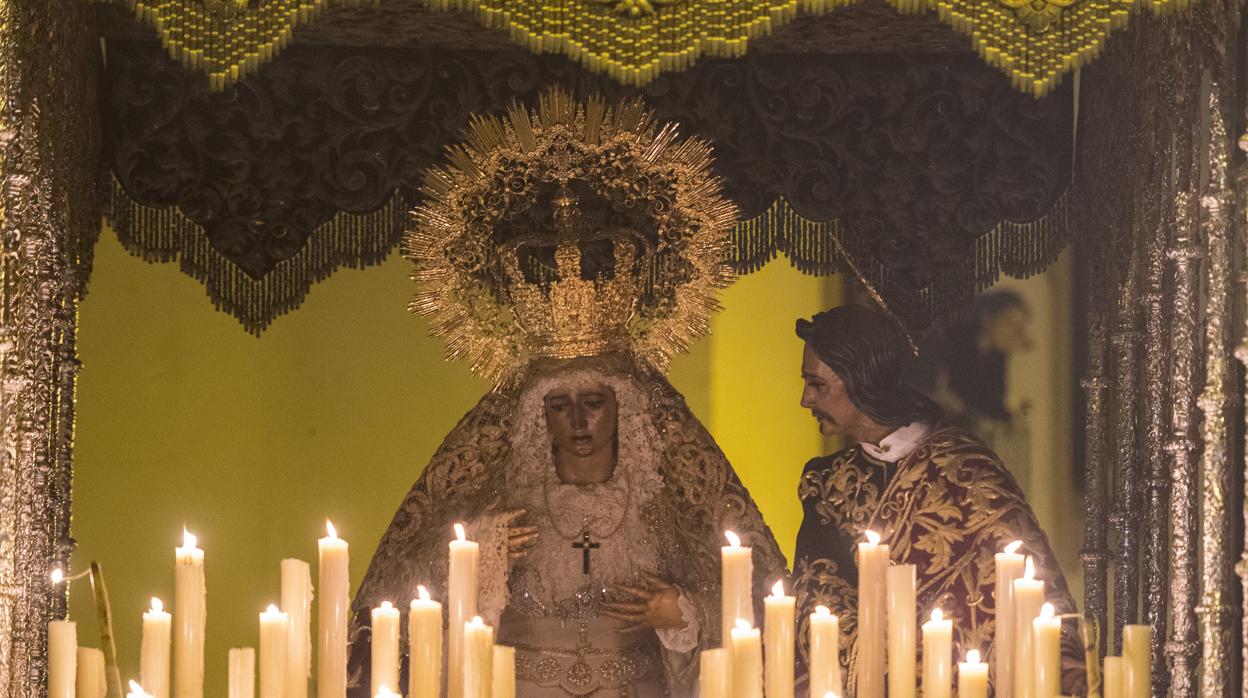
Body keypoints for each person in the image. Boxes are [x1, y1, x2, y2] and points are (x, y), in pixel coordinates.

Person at [347, 90, 786, 698]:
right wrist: (473, 553)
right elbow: (394, 598)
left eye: (594, 401)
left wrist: (683, 610)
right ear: (536, 417)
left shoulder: (666, 496)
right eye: (558, 405)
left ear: (624, 408)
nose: (578, 420)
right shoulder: (496, 492)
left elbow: (759, 596)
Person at [790, 304, 1084, 696]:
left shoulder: (967, 471)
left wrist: (1063, 670)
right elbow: (815, 604)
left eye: (817, 385)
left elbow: (1039, 594)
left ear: (860, 378)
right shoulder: (826, 484)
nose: (804, 400)